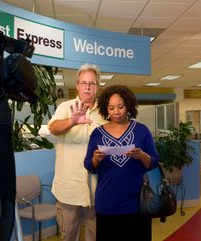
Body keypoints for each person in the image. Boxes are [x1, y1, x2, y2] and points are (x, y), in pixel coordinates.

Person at [84, 85, 159, 241]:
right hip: (107, 203)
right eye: (111, 108)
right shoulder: (97, 134)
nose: (116, 112)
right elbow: (89, 165)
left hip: (137, 203)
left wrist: (142, 155)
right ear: (106, 108)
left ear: (129, 106)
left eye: (120, 107)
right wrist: (95, 159)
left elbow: (154, 162)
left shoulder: (141, 130)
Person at [48, 63, 106, 241]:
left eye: (92, 83)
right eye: (84, 83)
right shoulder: (66, 108)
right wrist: (72, 121)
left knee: (94, 235)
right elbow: (53, 128)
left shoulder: (105, 113)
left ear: (97, 86)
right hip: (69, 189)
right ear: (77, 85)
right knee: (69, 236)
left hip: (97, 189)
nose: (88, 87)